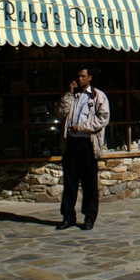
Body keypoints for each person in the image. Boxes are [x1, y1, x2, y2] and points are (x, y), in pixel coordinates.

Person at [56, 68, 109, 230]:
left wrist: (82, 127)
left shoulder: (97, 96)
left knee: (89, 183)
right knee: (70, 183)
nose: (79, 79)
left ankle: (89, 216)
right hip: (71, 144)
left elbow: (103, 118)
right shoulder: (72, 96)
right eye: (77, 76)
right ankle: (68, 216)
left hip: (88, 144)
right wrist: (67, 94)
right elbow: (59, 113)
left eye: (83, 76)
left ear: (90, 78)